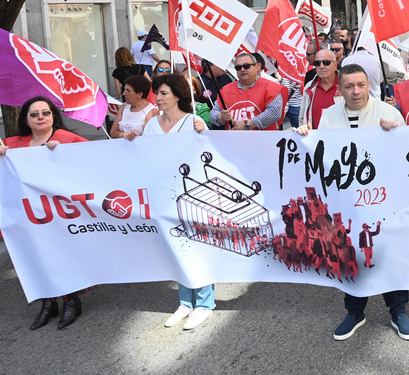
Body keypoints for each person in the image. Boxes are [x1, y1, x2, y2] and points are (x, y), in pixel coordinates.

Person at [299, 65, 409, 341]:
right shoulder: (328, 115)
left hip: (382, 200)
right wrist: (306, 137)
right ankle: (354, 311)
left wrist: (397, 133)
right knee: (349, 254)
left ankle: (398, 311)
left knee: (386, 254)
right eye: (349, 86)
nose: (356, 91)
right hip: (347, 202)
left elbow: (406, 157)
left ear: (368, 85)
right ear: (339, 89)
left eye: (361, 85)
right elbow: (322, 156)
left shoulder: (389, 113)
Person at [0, 97, 89, 330]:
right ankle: (47, 302)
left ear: (54, 115)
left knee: (63, 255)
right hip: (29, 216)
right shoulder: (12, 144)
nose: (40, 117)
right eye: (34, 114)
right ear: (25, 119)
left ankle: (70, 300)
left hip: (60, 213)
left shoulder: (68, 139)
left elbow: (97, 160)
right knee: (35, 258)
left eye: (45, 112)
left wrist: (65, 154)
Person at [128, 75, 210, 329]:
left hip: (192, 193)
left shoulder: (192, 122)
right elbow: (145, 157)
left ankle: (205, 304)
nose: (158, 98)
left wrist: (204, 133)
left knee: (196, 247)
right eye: (157, 93)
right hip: (163, 194)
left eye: (163, 93)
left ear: (177, 94)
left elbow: (207, 155)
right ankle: (185, 303)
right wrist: (133, 138)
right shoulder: (151, 125)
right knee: (176, 248)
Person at [211, 52, 287, 131]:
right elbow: (214, 112)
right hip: (233, 141)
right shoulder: (226, 90)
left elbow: (274, 112)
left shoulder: (271, 87)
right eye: (238, 67)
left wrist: (248, 124)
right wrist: (220, 117)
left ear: (257, 67)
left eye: (246, 66)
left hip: (263, 140)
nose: (242, 69)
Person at [300, 48, 339, 129]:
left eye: (326, 62)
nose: (321, 67)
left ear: (335, 65)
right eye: (317, 63)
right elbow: (302, 118)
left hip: (341, 139)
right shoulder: (309, 87)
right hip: (316, 139)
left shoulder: (346, 86)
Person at [110, 75, 158, 139]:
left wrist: (131, 136)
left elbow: (147, 137)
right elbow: (112, 132)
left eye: (128, 91)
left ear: (139, 94)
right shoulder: (124, 107)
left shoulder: (151, 111)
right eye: (124, 89)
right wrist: (125, 134)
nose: (124, 93)